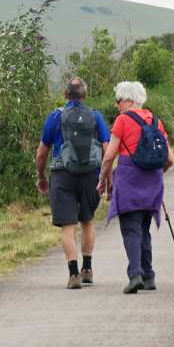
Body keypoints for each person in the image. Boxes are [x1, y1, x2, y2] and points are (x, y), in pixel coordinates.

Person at [100, 81, 173, 294]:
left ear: (130, 101)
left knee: (130, 227)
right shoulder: (155, 121)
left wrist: (102, 179)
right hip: (152, 180)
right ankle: (149, 275)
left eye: (119, 101)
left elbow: (109, 156)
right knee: (144, 227)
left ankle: (135, 275)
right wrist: (159, 174)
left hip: (129, 179)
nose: (117, 105)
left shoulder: (122, 120)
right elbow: (170, 158)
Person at [37, 76, 110, 289]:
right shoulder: (95, 116)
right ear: (85, 95)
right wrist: (106, 178)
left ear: (65, 95)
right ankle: (88, 269)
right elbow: (107, 149)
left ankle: (73, 274)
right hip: (90, 174)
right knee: (87, 221)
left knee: (68, 227)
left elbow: (42, 152)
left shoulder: (55, 117)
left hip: (62, 174)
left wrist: (41, 176)